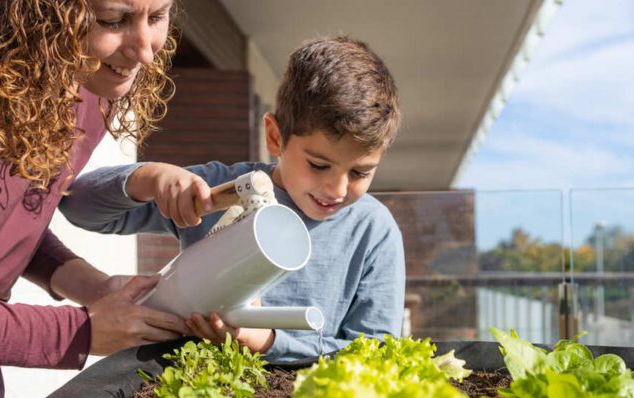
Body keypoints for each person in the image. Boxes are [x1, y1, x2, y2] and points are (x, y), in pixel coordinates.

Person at [0, 0, 210, 398]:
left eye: (156, 17)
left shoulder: (85, 81)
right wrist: (78, 333)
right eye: (113, 21)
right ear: (41, 12)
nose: (145, 51)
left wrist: (96, 288)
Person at [60, 36, 406, 363]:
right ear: (275, 136)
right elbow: (77, 207)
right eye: (318, 165)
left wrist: (268, 342)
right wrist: (147, 179)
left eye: (360, 173)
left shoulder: (373, 231)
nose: (337, 189)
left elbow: (376, 354)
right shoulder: (224, 189)